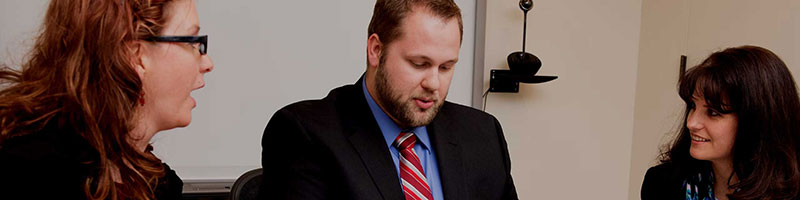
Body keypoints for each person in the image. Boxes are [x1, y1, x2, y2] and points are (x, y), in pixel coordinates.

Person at [260, 0, 518, 199]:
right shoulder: (304, 134)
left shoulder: (483, 134)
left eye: (445, 67)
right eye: (419, 64)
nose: (434, 84)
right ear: (376, 50)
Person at [0, 0, 213, 199]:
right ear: (136, 56)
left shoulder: (158, 184)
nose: (207, 63)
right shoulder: (28, 171)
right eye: (192, 43)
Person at [641, 46, 800, 200]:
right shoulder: (661, 184)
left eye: (713, 112)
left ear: (757, 121)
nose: (691, 123)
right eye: (692, 106)